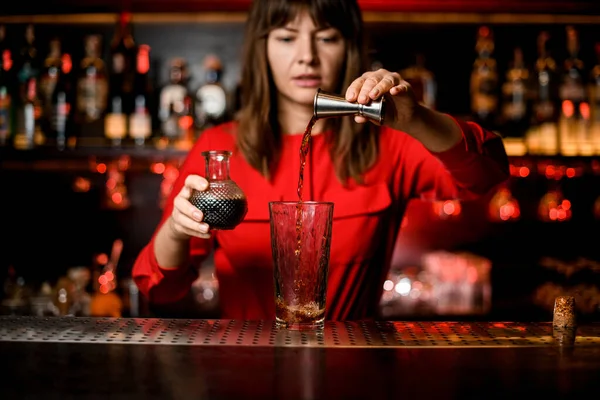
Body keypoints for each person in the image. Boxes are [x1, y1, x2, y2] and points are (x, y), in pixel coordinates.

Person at [132, 0, 509, 321]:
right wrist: (178, 230)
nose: (307, 56)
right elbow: (159, 289)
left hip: (353, 371)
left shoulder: (389, 144)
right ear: (261, 48)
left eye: (326, 37)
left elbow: (488, 173)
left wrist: (417, 119)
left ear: (349, 47)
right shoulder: (219, 148)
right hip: (244, 373)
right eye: (286, 37)